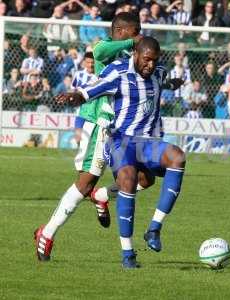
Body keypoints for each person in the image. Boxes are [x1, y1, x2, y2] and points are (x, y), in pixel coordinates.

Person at [56, 37, 186, 269]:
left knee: (177, 157)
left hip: (149, 142)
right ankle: (128, 254)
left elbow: (164, 82)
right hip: (120, 142)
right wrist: (75, 96)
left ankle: (154, 228)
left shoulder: (158, 72)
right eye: (147, 60)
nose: (151, 66)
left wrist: (175, 83)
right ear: (136, 54)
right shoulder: (118, 72)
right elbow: (90, 92)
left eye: (155, 61)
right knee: (128, 181)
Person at [33, 12, 145, 262]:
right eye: (135, 29)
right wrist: (134, 42)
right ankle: (47, 233)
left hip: (128, 129)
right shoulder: (106, 48)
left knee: (145, 178)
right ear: (121, 31)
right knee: (84, 183)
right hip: (102, 127)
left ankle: (103, 195)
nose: (140, 33)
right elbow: (100, 50)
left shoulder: (132, 55)